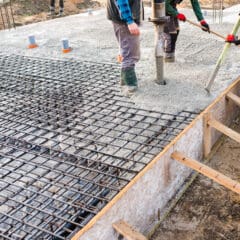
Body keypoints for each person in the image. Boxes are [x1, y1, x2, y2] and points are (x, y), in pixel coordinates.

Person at [106, 0, 141, 95]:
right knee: (130, 53)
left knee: (126, 49)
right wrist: (129, 20)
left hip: (120, 18)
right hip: (124, 21)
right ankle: (130, 86)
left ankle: (125, 81)